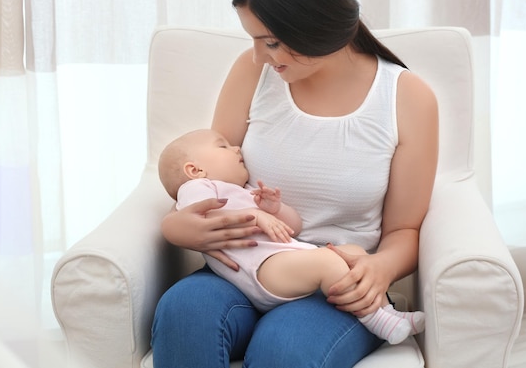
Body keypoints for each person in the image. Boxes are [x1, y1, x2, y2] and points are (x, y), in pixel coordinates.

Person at [151, 0, 438, 366]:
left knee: (282, 349)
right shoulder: (253, 73)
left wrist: (380, 271)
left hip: (333, 284)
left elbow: (404, 229)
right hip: (241, 269)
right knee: (183, 313)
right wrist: (176, 226)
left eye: (270, 42)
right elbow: (211, 174)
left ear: (319, 26)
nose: (257, 57)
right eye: (252, 39)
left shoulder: (407, 98)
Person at [158, 128, 425, 345]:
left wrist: (275, 210)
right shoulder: (198, 187)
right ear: (195, 170)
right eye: (223, 146)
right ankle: (375, 320)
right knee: (328, 263)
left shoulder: (243, 191)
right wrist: (255, 214)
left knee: (354, 253)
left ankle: (389, 314)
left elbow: (292, 228)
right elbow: (199, 217)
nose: (236, 148)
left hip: (284, 260)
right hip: (260, 270)